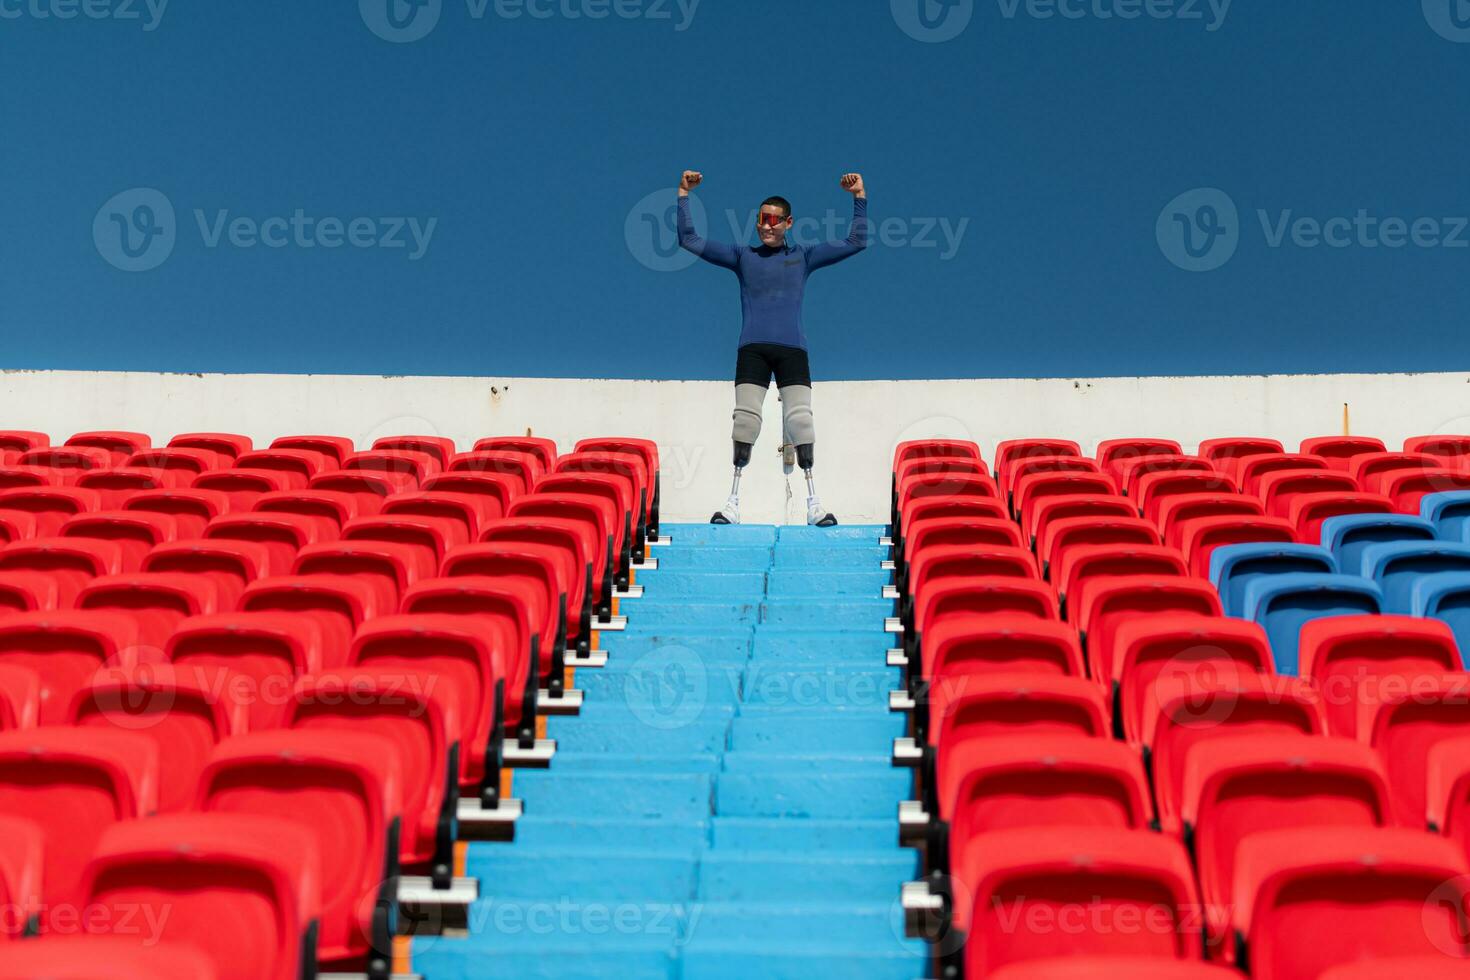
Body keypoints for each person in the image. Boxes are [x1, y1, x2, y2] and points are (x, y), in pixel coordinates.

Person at [676, 169, 868, 525]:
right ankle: (732, 502)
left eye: (773, 220)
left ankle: (814, 503)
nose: (766, 227)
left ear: (788, 222)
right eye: (761, 220)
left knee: (802, 422)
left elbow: (856, 241)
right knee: (745, 421)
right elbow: (688, 239)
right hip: (753, 348)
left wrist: (858, 196)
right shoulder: (741, 256)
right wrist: (684, 194)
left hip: (793, 349)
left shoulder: (804, 257)